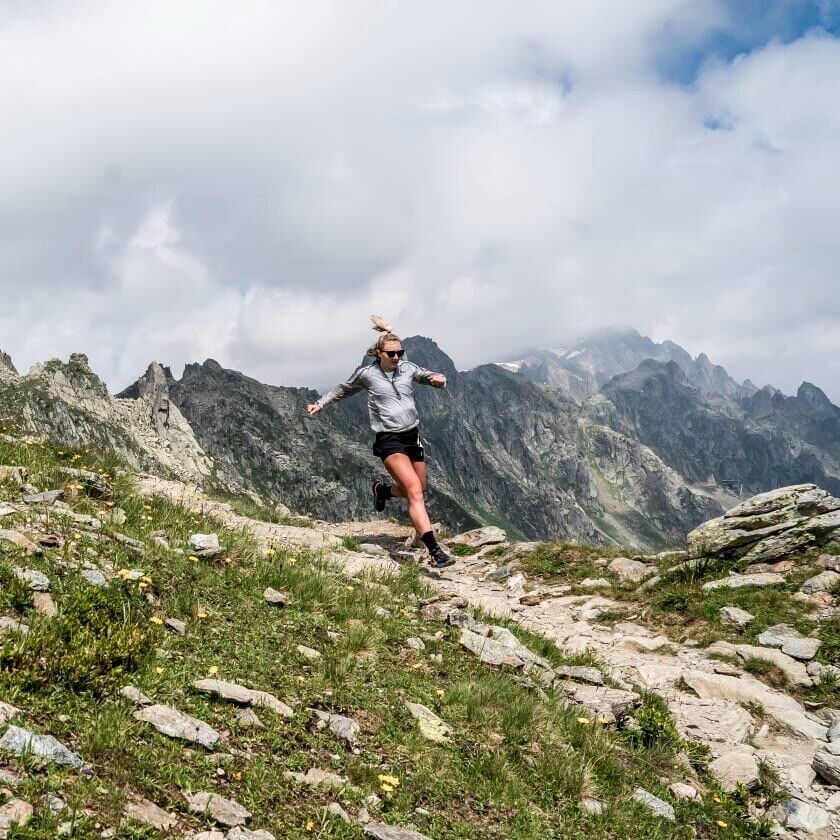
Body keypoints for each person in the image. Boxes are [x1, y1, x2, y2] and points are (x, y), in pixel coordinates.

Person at [306, 316, 455, 569]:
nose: (397, 358)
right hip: (389, 439)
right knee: (415, 493)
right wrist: (320, 404)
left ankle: (383, 491)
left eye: (400, 353)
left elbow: (428, 376)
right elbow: (343, 389)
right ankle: (434, 552)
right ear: (379, 353)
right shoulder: (367, 375)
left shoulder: (407, 368)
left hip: (412, 436)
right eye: (391, 354)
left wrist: (439, 380)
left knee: (418, 488)